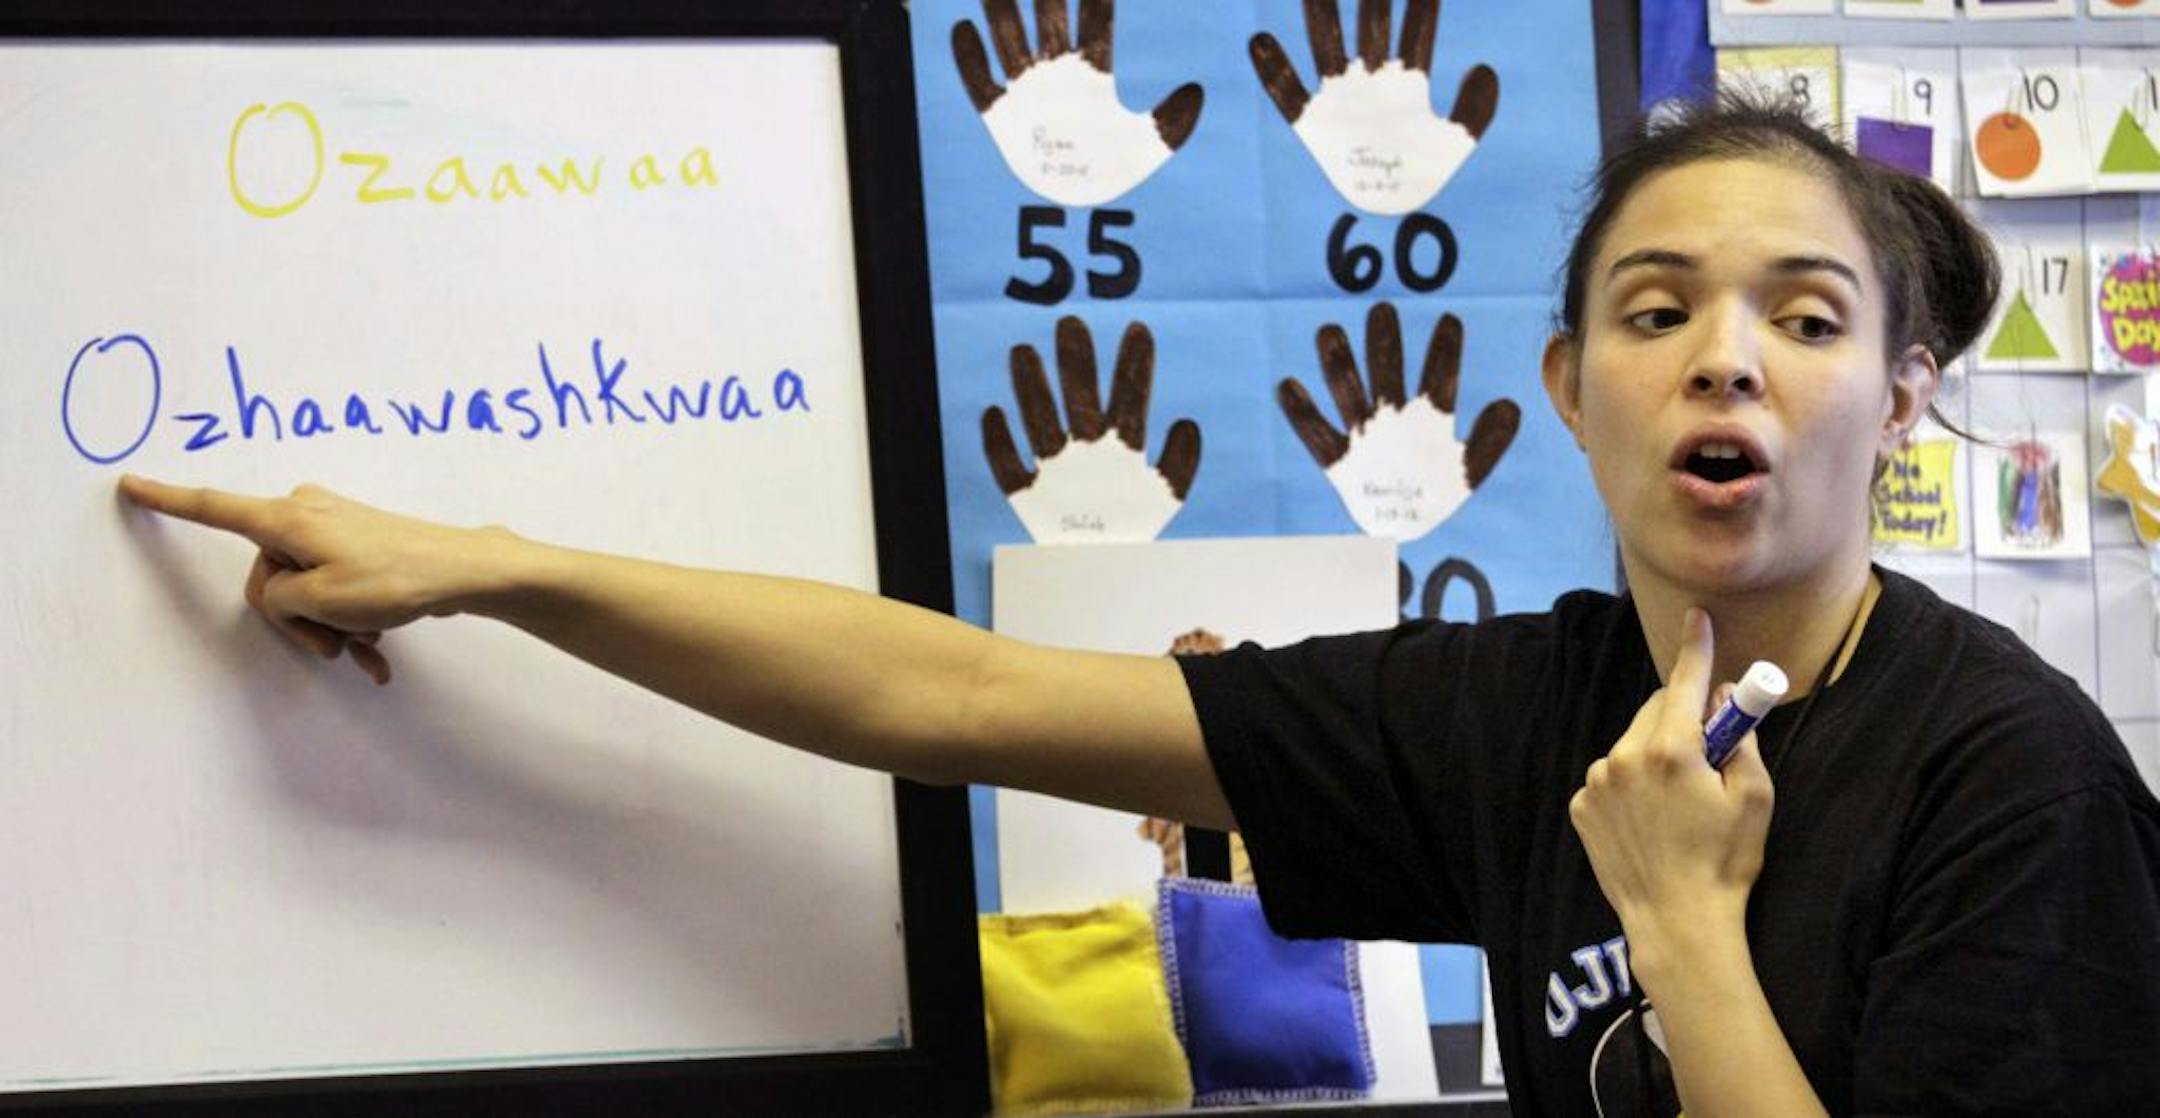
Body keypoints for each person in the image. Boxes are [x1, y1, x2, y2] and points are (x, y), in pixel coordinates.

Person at [118, 95, 2160, 1115]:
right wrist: (501, 566)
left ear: (1900, 395)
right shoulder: (1523, 707)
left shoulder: (2011, 776)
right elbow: (956, 695)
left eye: (1804, 317)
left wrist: (1686, 928)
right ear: (1568, 387)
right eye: (1656, 311)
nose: (1725, 360)